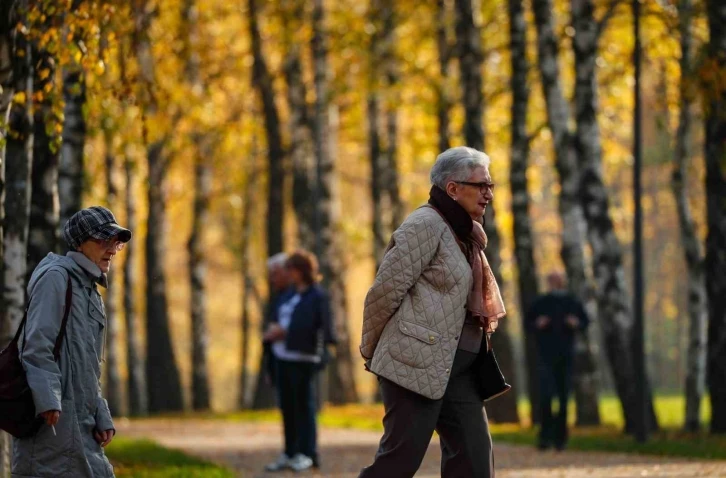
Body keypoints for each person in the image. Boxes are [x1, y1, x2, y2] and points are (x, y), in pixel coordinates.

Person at [358, 146, 507, 478]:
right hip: (415, 364)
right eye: (480, 185)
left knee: (474, 461)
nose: (488, 194)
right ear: (452, 188)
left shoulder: (468, 233)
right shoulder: (425, 224)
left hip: (461, 369)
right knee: (398, 463)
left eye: (490, 186)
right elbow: (383, 293)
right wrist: (374, 351)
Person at [13, 206, 132, 477]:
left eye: (115, 242)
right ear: (79, 243)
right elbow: (36, 344)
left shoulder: (91, 291)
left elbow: (90, 366)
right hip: (53, 424)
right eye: (103, 240)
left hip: (82, 425)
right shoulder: (57, 277)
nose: (112, 249)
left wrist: (100, 412)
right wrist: (48, 400)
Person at [263, 250, 336, 472]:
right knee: (288, 407)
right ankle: (290, 452)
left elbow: (323, 328)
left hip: (304, 358)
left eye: (289, 270)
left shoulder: (317, 296)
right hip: (282, 357)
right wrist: (271, 333)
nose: (287, 274)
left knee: (304, 407)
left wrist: (286, 333)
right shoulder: (289, 294)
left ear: (300, 270)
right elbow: (278, 318)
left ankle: (308, 453)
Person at [526, 271, 589, 451]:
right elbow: (528, 324)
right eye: (552, 280)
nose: (555, 283)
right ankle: (545, 437)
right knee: (545, 397)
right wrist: (537, 324)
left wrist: (575, 323)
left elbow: (585, 322)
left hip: (566, 357)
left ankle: (560, 439)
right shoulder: (541, 303)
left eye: (558, 280)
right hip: (545, 356)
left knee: (563, 399)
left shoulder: (572, 302)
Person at [260, 253, 295, 389]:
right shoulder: (279, 298)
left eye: (275, 274)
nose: (271, 279)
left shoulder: (296, 296)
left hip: (294, 360)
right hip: (278, 359)